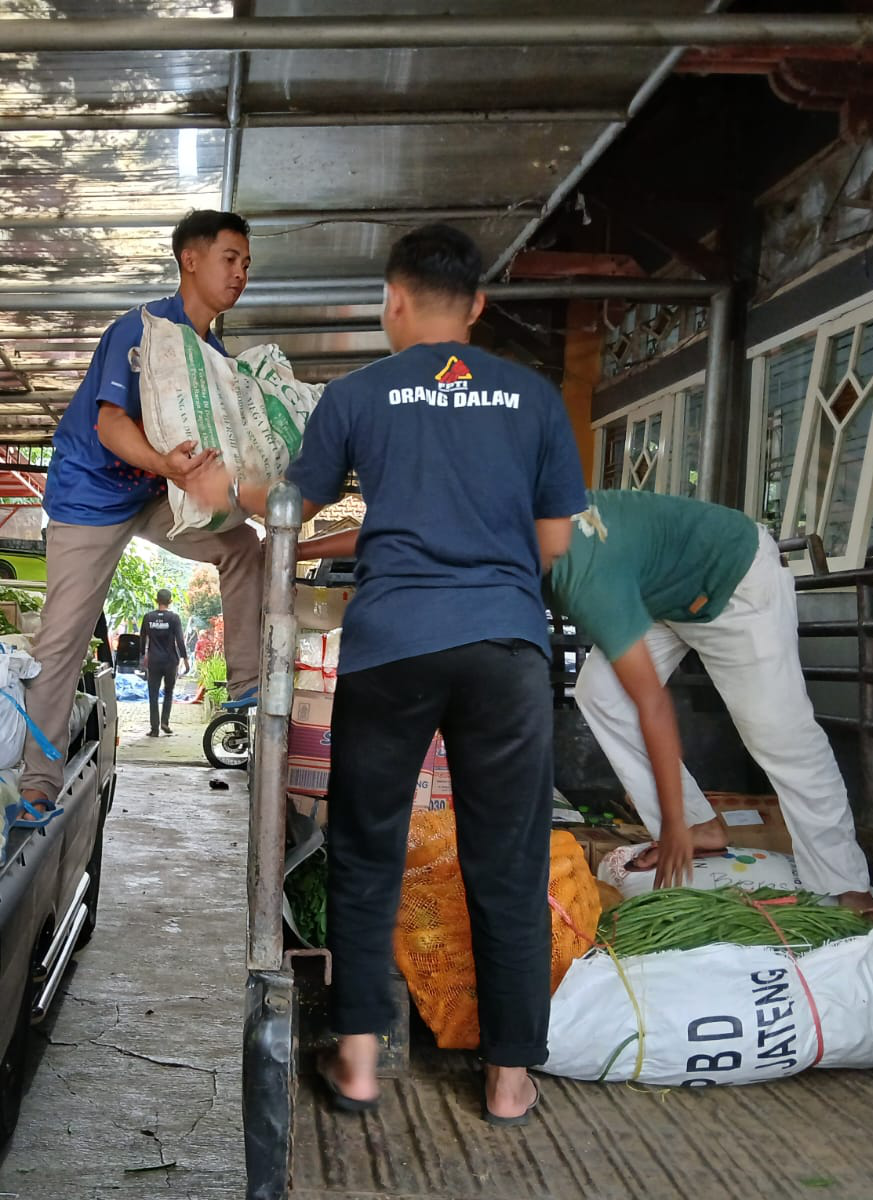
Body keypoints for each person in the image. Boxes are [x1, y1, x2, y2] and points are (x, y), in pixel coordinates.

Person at [188, 224, 587, 1126]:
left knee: (366, 851)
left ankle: (362, 1061)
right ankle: (511, 1077)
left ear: (395, 302)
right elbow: (556, 544)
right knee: (509, 861)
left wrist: (226, 496)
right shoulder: (533, 398)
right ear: (477, 306)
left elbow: (293, 508)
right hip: (506, 651)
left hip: (394, 644)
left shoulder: (362, 394)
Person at [17, 209, 263, 815]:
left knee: (242, 544)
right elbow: (109, 423)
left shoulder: (210, 350)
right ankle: (36, 781)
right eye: (230, 259)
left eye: (247, 264)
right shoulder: (143, 330)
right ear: (191, 259)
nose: (241, 274)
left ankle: (248, 681)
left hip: (154, 491)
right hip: (92, 496)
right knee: (63, 641)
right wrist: (168, 465)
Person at [547, 489, 873, 913]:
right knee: (602, 695)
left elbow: (652, 703)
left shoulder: (578, 562)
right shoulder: (515, 550)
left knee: (777, 731)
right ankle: (699, 826)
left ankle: (845, 878)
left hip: (732, 578)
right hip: (658, 596)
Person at [140, 589, 189, 737]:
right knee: (168, 692)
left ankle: (154, 728)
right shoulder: (174, 618)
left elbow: (142, 638)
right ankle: (164, 723)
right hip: (170, 661)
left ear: (156, 600)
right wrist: (185, 660)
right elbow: (180, 640)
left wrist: (143, 656)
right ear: (170, 601)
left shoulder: (148, 617)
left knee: (153, 694)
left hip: (154, 661)